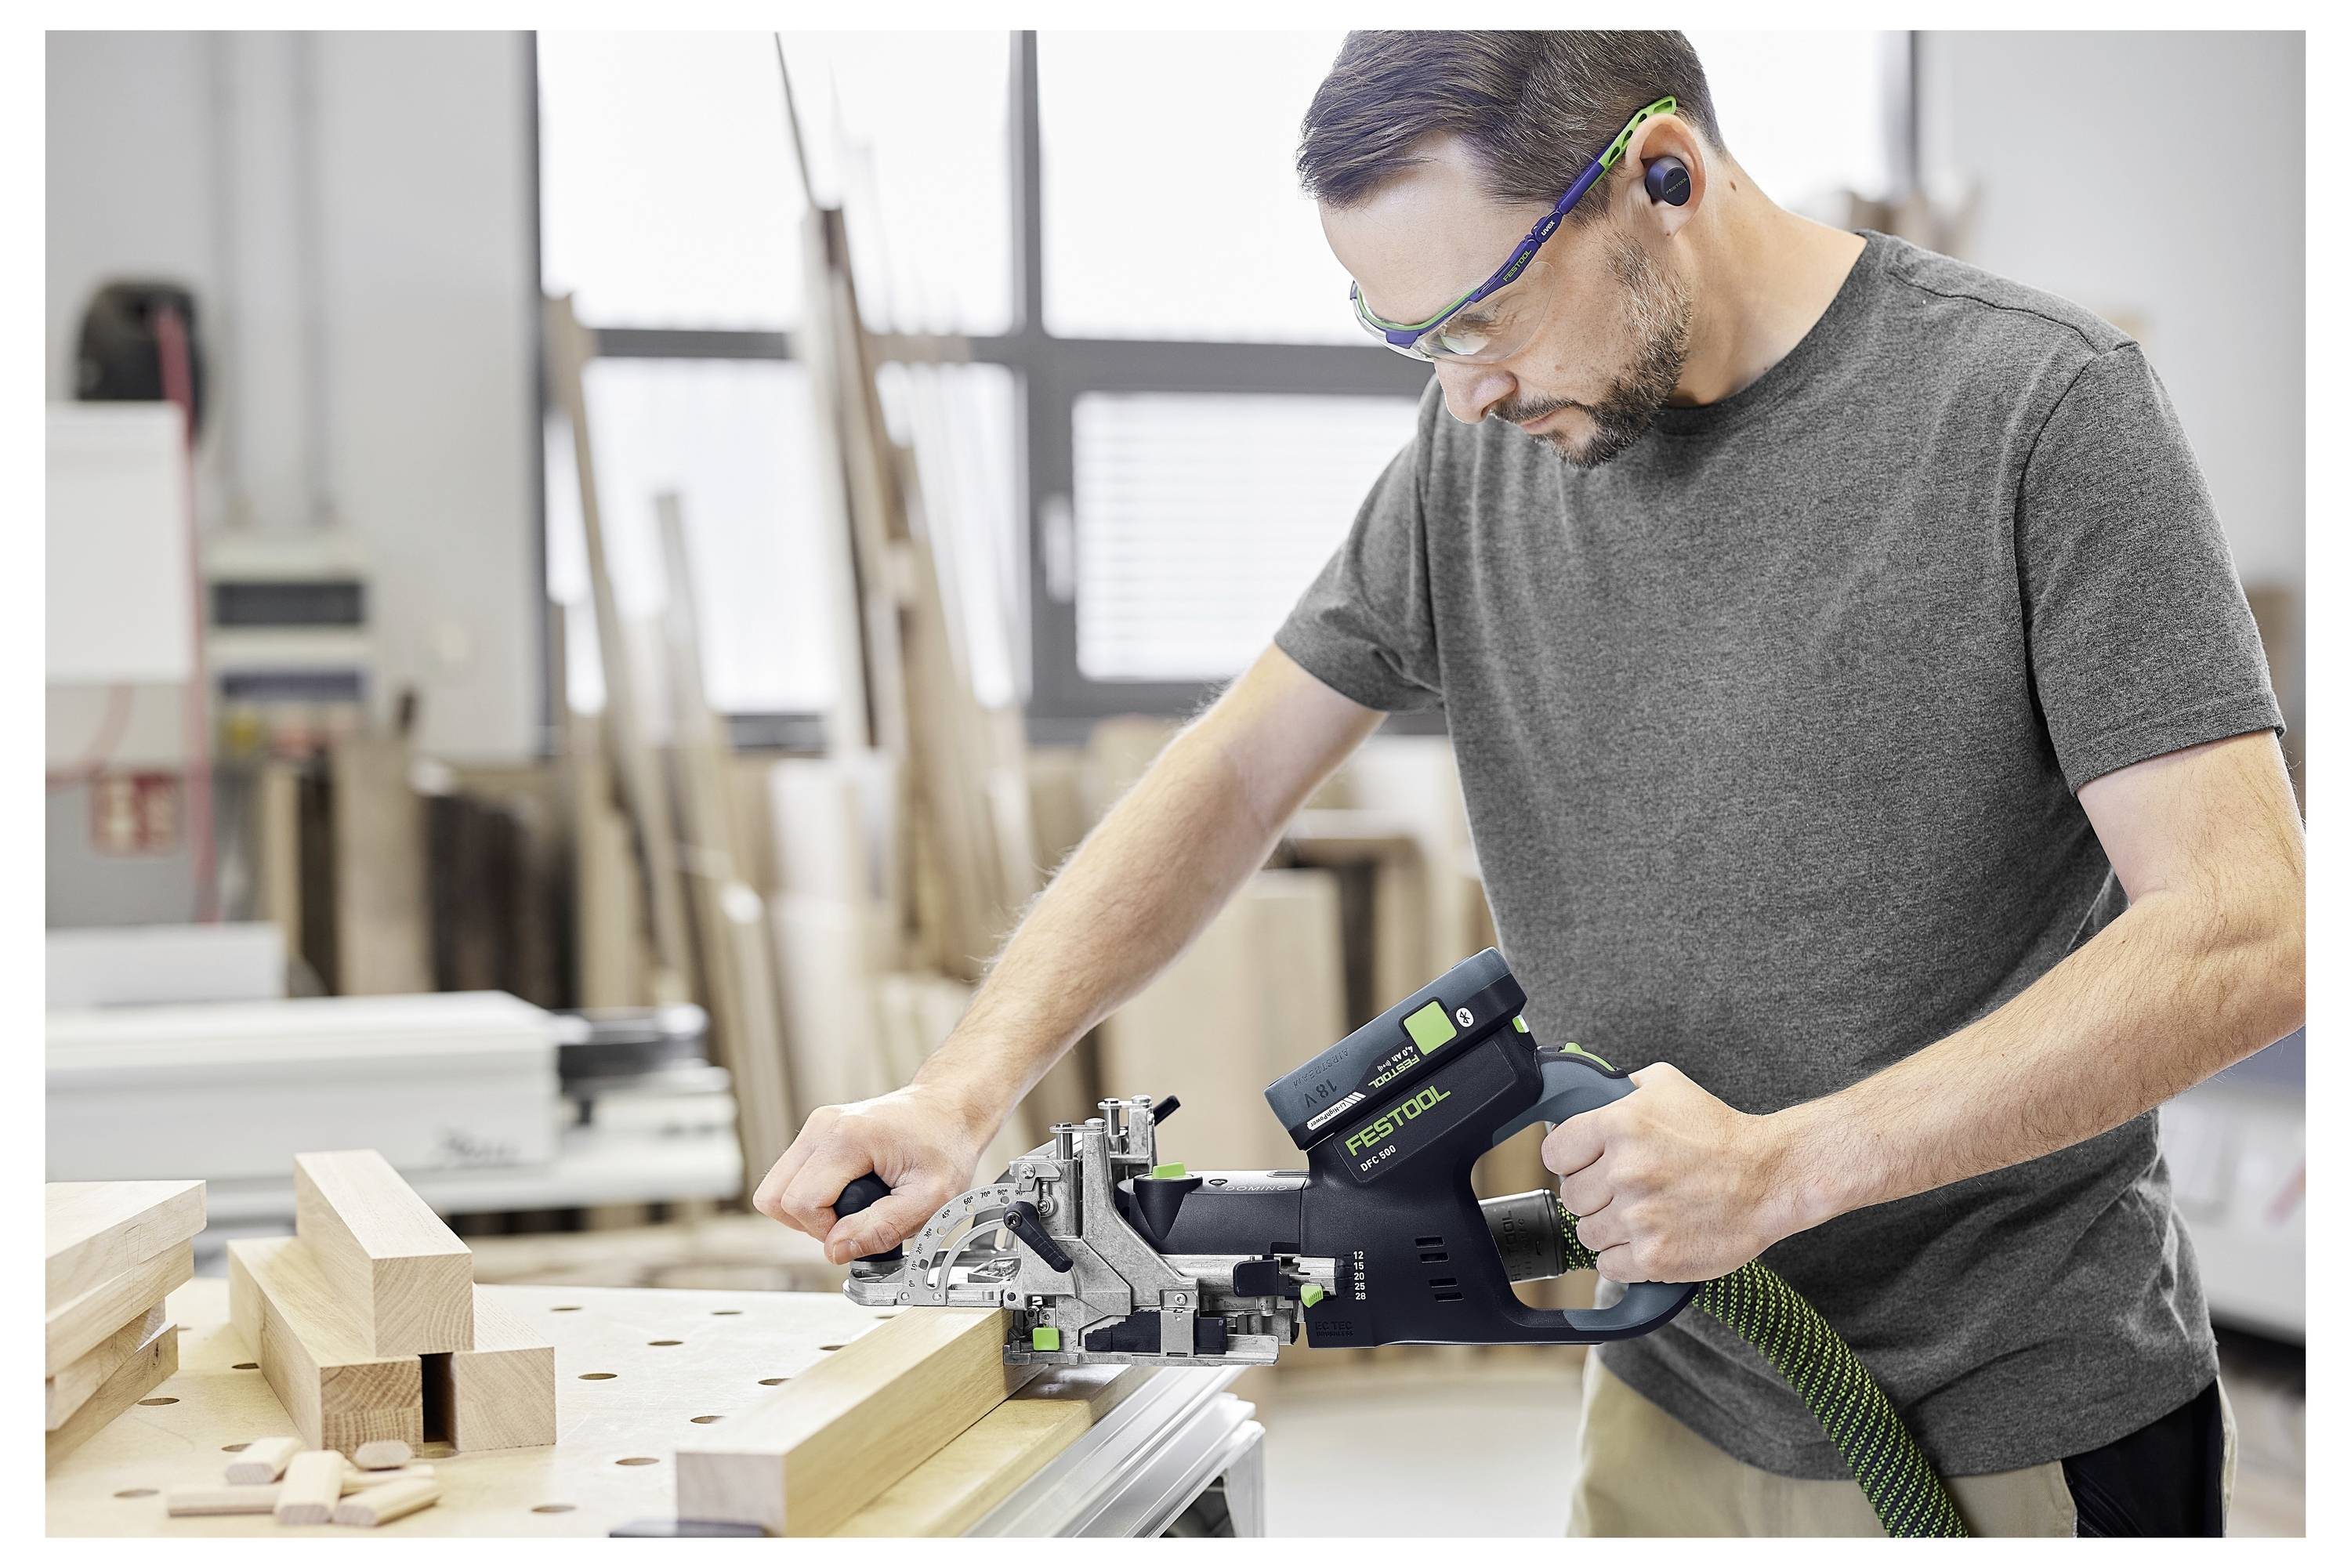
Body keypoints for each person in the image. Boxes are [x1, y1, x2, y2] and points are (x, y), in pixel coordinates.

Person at [752, 31, 2303, 1537]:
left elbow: (2246, 929)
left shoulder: (2036, 408)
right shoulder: (1484, 453)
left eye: (1484, 312)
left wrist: (1786, 1168)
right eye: (1411, 335)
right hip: (1675, 1392)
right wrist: (964, 1083)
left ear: (1666, 179)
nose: (1465, 389)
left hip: (2014, 1424)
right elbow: (1233, 774)